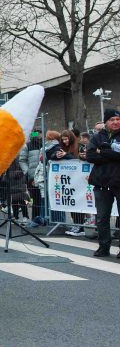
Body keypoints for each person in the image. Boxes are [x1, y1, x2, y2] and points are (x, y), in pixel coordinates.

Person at [86, 108, 120, 258]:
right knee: (102, 217)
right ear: (106, 122)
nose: (116, 122)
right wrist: (114, 155)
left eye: (118, 119)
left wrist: (103, 152)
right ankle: (104, 246)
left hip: (118, 182)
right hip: (101, 182)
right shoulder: (97, 137)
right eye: (112, 120)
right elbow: (90, 156)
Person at [48, 130, 85, 236]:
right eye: (63, 139)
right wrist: (57, 155)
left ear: (71, 138)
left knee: (79, 203)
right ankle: (76, 224)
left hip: (78, 179)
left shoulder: (79, 146)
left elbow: (79, 160)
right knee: (71, 202)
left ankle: (80, 226)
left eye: (66, 139)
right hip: (67, 180)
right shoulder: (61, 146)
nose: (64, 141)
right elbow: (50, 154)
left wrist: (66, 155)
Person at [19, 131, 44, 225]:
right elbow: (22, 160)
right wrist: (27, 171)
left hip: (43, 175)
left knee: (43, 199)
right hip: (32, 176)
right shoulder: (28, 146)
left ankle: (43, 219)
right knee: (36, 199)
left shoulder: (45, 144)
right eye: (37, 133)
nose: (39, 135)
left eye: (40, 133)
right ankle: (35, 219)